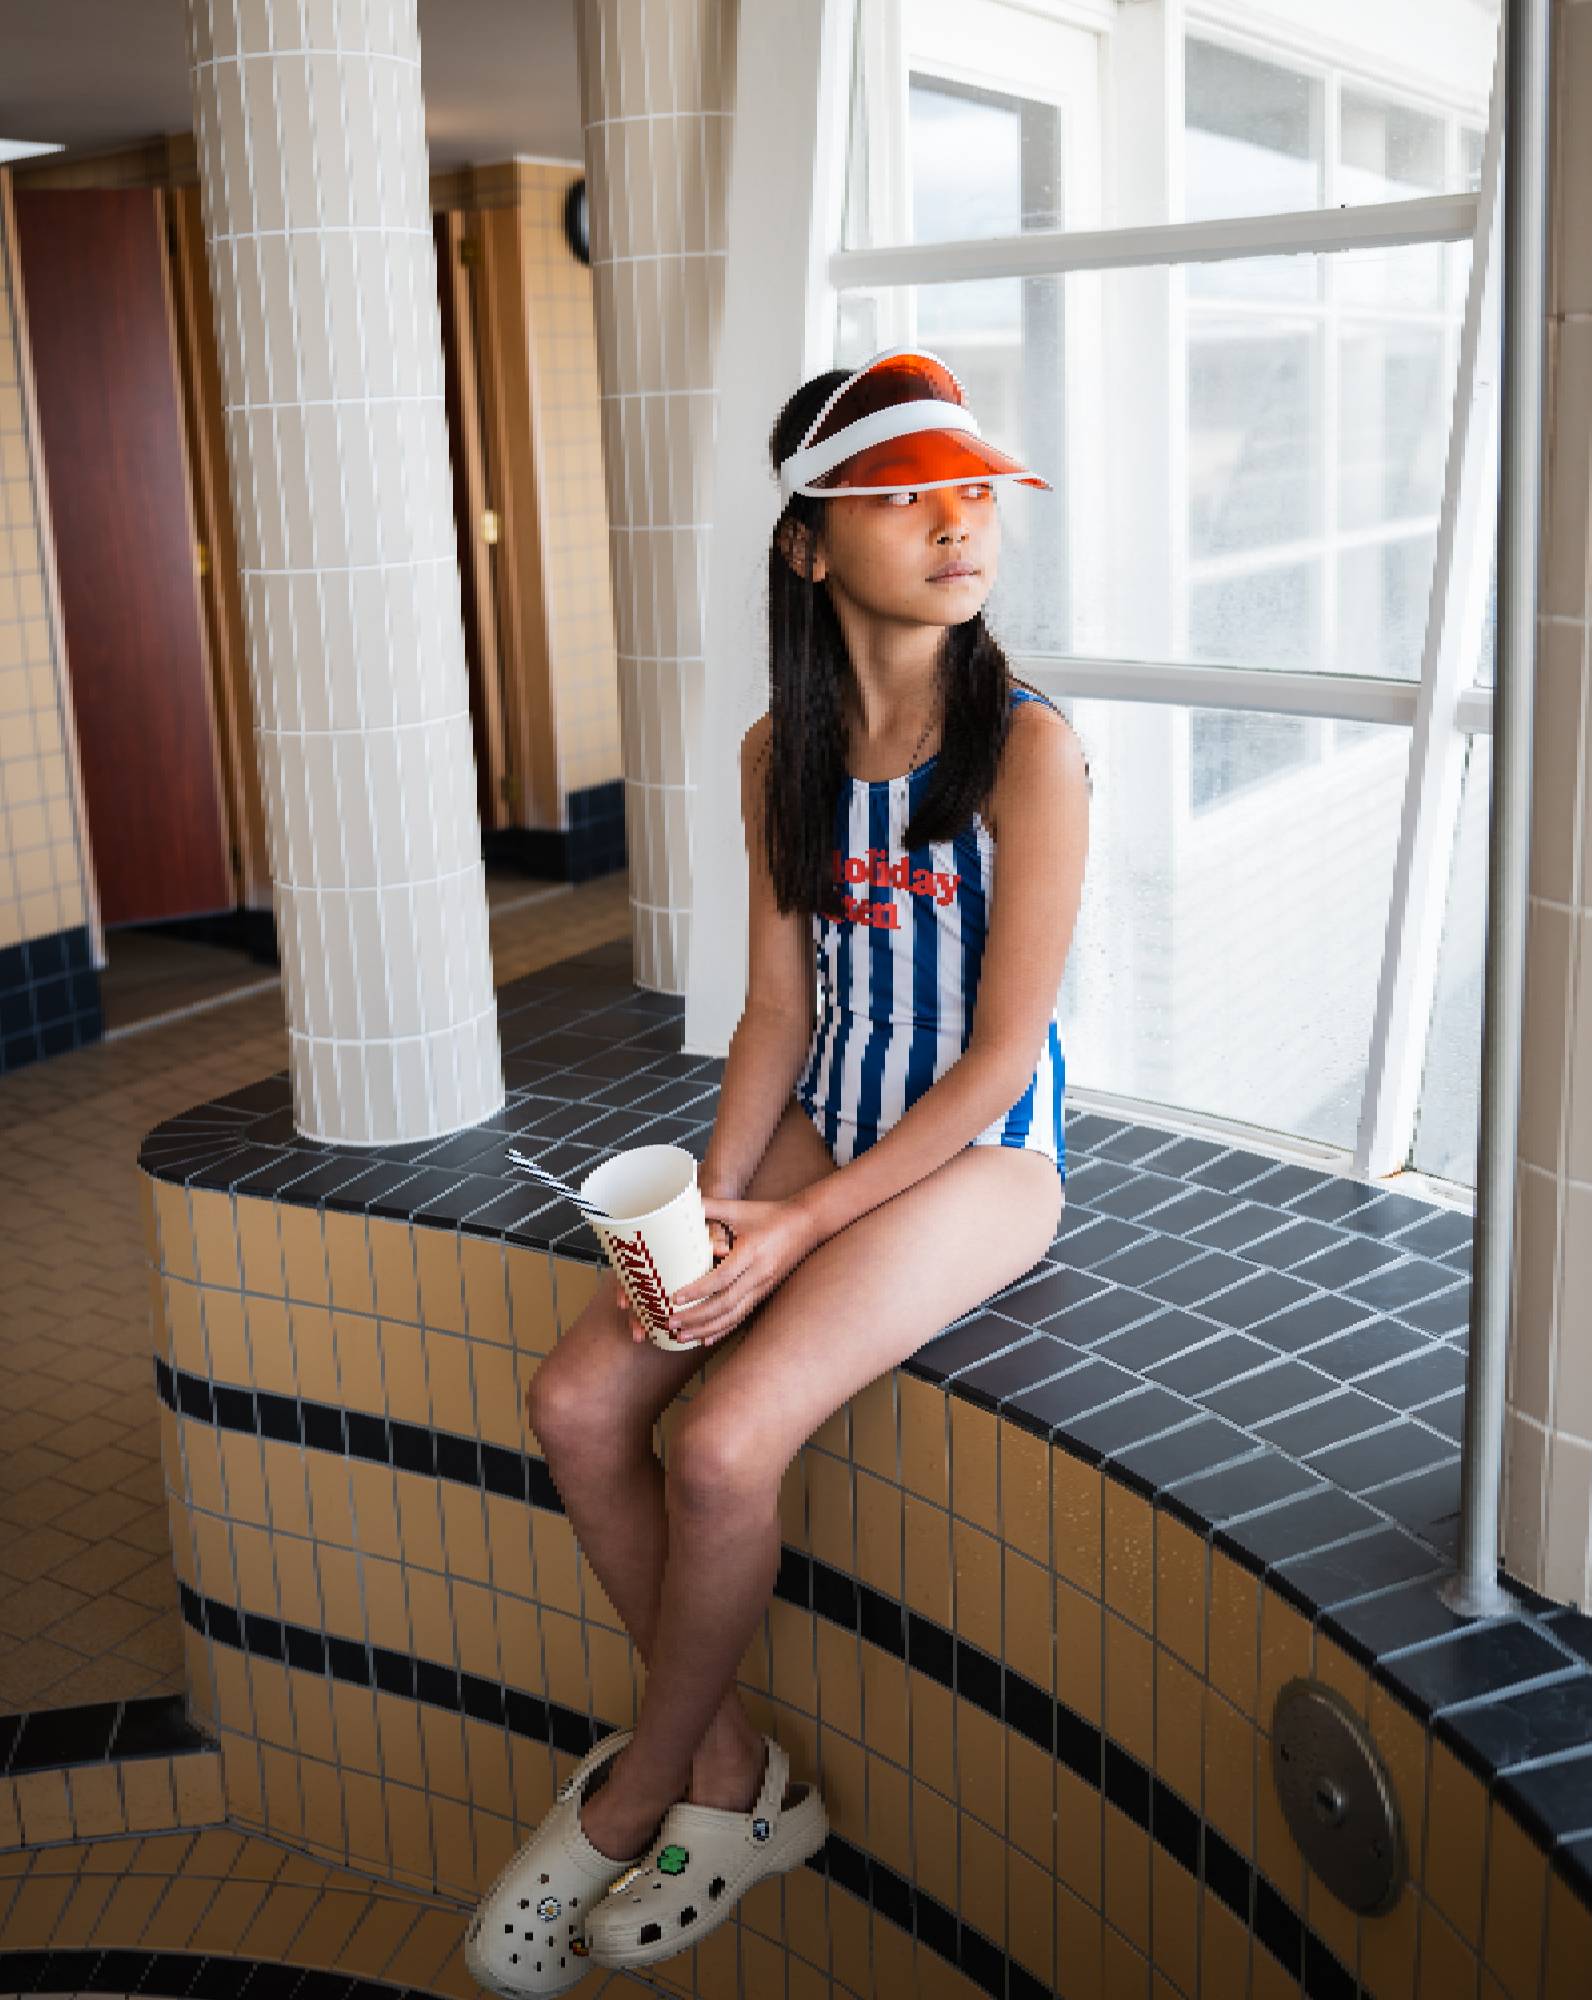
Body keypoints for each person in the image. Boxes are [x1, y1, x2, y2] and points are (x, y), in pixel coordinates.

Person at [464, 347, 1092, 1996]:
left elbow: (997, 1063)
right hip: (821, 1114)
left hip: (978, 1157)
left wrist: (801, 1221)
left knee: (729, 1446)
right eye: (908, 497)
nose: (961, 523)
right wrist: (692, 1225)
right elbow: (770, 1010)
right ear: (812, 545)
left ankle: (636, 1799)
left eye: (973, 493)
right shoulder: (777, 753)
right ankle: (739, 1778)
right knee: (581, 1403)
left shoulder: (1029, 752)